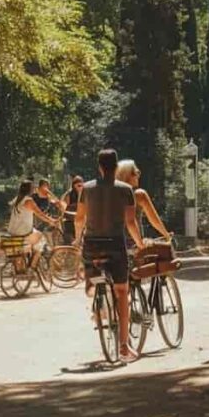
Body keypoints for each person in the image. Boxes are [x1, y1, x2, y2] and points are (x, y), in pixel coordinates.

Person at [75, 148, 144, 364]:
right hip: (115, 245)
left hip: (92, 245)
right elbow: (131, 223)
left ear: (99, 167)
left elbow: (79, 220)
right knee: (122, 291)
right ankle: (124, 347)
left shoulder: (86, 189)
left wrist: (78, 241)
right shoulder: (125, 190)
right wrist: (141, 244)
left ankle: (96, 294)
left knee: (94, 276)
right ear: (115, 167)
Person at [6, 180, 61, 269]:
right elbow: (40, 214)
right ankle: (32, 267)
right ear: (30, 189)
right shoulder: (29, 200)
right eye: (33, 187)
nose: (35, 188)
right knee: (41, 241)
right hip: (24, 231)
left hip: (13, 230)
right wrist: (52, 221)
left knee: (33, 241)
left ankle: (24, 261)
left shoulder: (17, 198)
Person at [116, 160, 171, 242]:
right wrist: (167, 235)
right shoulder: (139, 195)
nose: (138, 175)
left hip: (114, 242)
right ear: (126, 176)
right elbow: (154, 220)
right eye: (135, 172)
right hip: (134, 243)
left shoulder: (111, 195)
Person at [60, 175, 85, 245]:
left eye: (81, 185)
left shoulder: (85, 193)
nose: (80, 187)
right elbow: (63, 206)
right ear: (74, 185)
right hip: (69, 221)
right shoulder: (69, 194)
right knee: (70, 243)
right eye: (78, 185)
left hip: (80, 222)